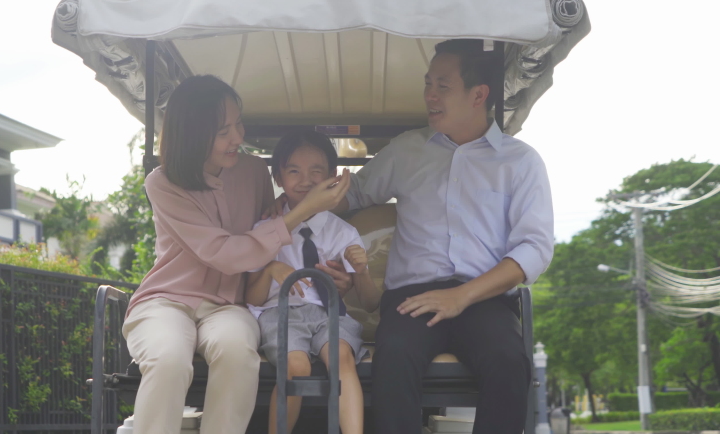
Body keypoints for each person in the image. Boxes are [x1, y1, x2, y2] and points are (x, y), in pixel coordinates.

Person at [335, 39, 554, 433]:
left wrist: (461, 296)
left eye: (442, 86)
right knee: (395, 354)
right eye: (427, 84)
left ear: (479, 95)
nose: (429, 96)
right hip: (411, 299)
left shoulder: (520, 162)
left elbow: (535, 248)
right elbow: (352, 195)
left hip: (484, 298)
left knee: (509, 360)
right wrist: (291, 206)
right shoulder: (406, 150)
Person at [122, 75, 351, 434]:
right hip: (166, 301)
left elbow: (265, 229)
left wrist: (286, 211)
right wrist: (301, 211)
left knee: (237, 353)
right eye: (223, 131)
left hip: (229, 305)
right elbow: (224, 253)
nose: (238, 138)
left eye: (238, 124)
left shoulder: (254, 171)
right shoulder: (163, 183)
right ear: (193, 134)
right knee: (168, 359)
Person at [246, 131, 381, 434]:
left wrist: (361, 271)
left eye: (316, 171)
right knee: (295, 367)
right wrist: (270, 268)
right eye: (294, 171)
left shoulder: (342, 233)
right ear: (278, 177)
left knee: (342, 358)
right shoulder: (265, 230)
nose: (305, 180)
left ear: (332, 177)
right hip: (280, 313)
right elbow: (252, 299)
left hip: (329, 315)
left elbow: (370, 302)